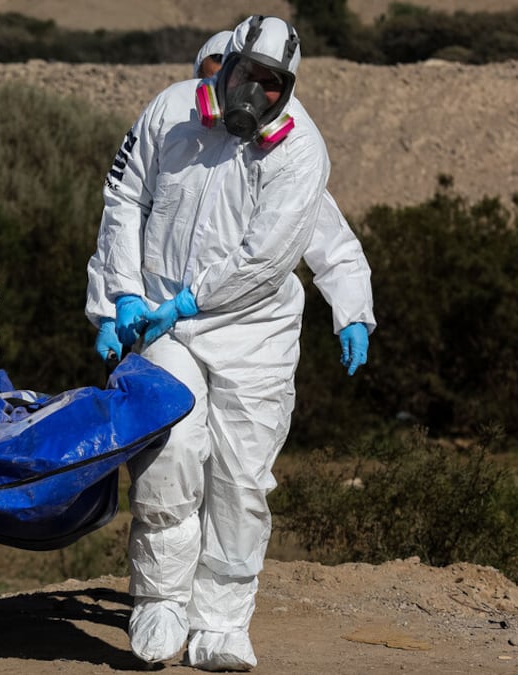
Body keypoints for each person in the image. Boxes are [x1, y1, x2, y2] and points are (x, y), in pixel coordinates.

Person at [87, 15, 336, 671]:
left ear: (288, 88)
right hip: (166, 323)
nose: (256, 92)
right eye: (247, 74)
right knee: (169, 451)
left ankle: (222, 622)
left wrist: (188, 301)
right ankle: (160, 600)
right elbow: (124, 197)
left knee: (241, 479)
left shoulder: (300, 152)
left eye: (273, 84)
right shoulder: (170, 112)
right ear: (226, 64)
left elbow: (264, 260)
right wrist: (123, 294)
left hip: (254, 334)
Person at [190, 30, 375, 375]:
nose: (239, 98)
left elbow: (331, 241)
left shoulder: (283, 161)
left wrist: (353, 313)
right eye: (210, 82)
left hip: (250, 335)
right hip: (173, 322)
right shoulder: (179, 146)